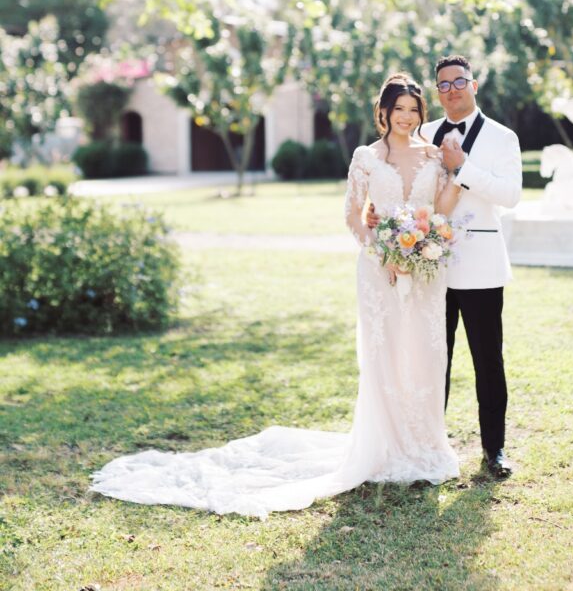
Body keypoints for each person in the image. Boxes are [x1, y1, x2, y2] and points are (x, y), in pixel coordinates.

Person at [90, 73, 460, 518]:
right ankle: (387, 447)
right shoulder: (366, 157)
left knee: (424, 353)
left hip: (423, 272)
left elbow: (441, 210)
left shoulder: (434, 155)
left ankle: (424, 444)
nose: (406, 117)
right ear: (383, 112)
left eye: (414, 110)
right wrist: (384, 253)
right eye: (399, 109)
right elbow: (354, 216)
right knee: (384, 355)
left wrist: (442, 200)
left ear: (422, 114)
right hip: (379, 270)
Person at [367, 55, 522, 478]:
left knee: (488, 361)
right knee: (432, 359)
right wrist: (382, 220)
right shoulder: (423, 133)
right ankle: (429, 450)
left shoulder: (502, 136)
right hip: (425, 269)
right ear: (437, 92)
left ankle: (494, 451)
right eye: (443, 85)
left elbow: (511, 195)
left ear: (474, 85)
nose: (451, 90)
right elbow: (401, 188)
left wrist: (463, 169)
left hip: (480, 266)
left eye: (459, 82)